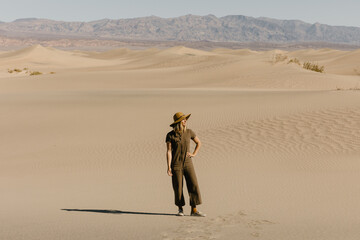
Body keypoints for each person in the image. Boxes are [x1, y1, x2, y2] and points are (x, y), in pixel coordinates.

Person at [165, 112, 206, 217]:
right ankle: (180, 209)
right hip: (176, 164)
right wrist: (169, 166)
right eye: (183, 119)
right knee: (178, 186)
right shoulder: (170, 135)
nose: (185, 121)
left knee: (193, 184)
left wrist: (194, 154)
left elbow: (199, 143)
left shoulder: (189, 132)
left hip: (188, 163)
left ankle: (194, 210)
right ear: (178, 122)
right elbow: (169, 151)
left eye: (185, 119)